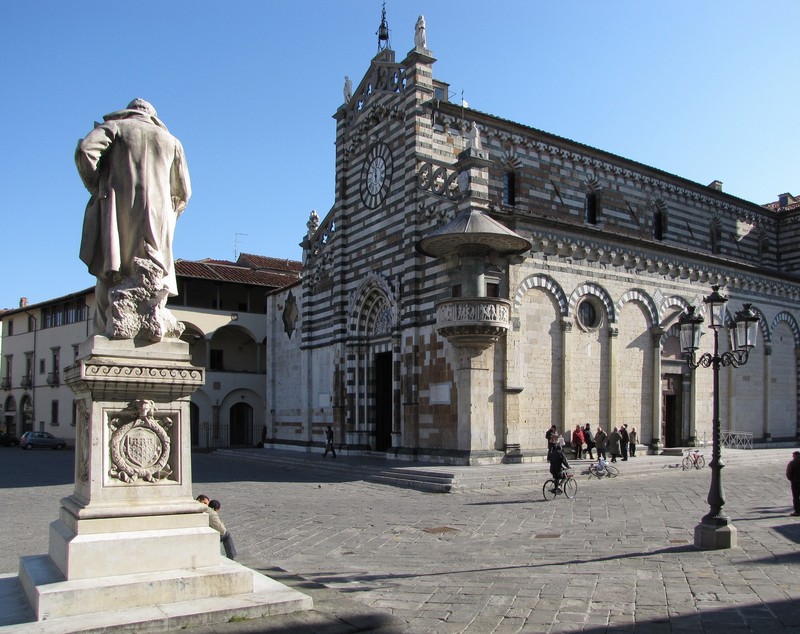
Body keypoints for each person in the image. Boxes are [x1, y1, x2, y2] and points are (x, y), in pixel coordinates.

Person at [76, 98, 191, 339]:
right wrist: (172, 212)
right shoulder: (171, 142)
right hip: (159, 214)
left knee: (113, 267)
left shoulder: (117, 128)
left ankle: (107, 327)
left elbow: (85, 150)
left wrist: (97, 186)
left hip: (119, 206)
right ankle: (152, 317)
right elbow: (184, 192)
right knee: (153, 268)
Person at [196, 495, 237, 560]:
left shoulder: (195, 508)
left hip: (199, 533)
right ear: (200, 501)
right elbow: (222, 530)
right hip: (205, 536)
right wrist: (222, 524)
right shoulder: (211, 513)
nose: (206, 505)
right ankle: (231, 557)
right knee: (227, 535)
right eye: (205, 503)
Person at [787, 451, 800, 517]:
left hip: (795, 482)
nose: (792, 456)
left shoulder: (793, 463)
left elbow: (789, 473)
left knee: (796, 497)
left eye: (793, 455)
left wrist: (791, 479)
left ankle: (797, 511)